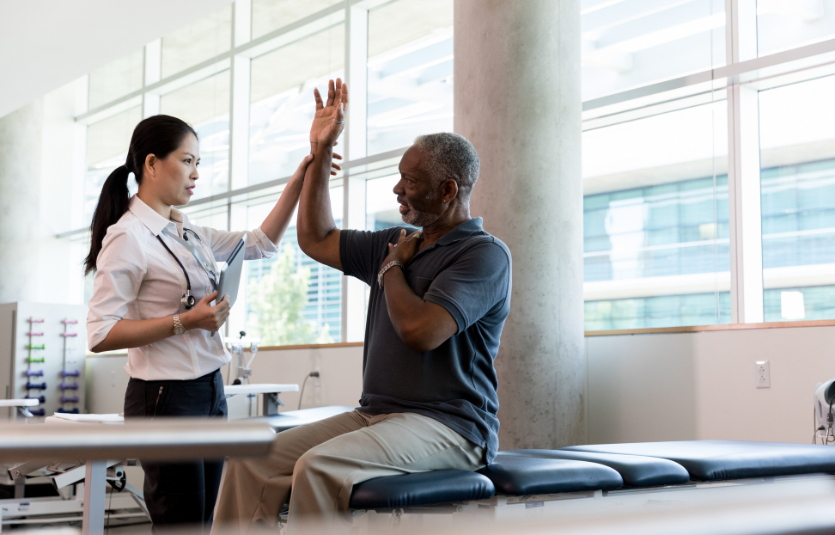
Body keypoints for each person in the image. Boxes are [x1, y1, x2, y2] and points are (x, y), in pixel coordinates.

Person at [213, 79, 512, 534]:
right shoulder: (395, 242)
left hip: (450, 427)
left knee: (318, 466)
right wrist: (321, 149)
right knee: (250, 459)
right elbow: (316, 238)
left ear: (448, 190)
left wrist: (392, 269)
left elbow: (422, 332)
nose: (397, 189)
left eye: (410, 181)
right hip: (375, 414)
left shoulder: (483, 254)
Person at [85, 114, 340, 529]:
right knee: (180, 523)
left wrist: (301, 177)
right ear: (151, 164)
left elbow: (259, 243)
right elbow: (99, 333)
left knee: (206, 519)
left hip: (208, 390)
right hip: (163, 399)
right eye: (187, 161)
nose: (196, 174)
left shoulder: (187, 231)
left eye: (198, 163)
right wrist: (185, 321)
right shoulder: (128, 238)